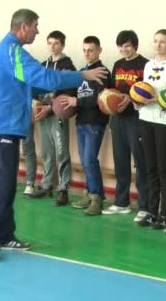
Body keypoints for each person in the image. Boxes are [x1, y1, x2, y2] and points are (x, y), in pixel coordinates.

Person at [0, 9, 107, 263]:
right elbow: (41, 76)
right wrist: (81, 75)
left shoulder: (14, 52)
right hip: (1, 127)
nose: (37, 31)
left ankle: (2, 235)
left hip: (8, 126)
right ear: (23, 27)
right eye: (35, 27)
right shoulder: (11, 51)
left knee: (7, 185)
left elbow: (38, 83)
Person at [101, 30, 150, 222]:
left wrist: (131, 98)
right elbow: (114, 89)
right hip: (118, 119)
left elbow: (147, 92)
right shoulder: (118, 64)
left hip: (136, 119)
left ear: (135, 46)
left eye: (127, 46)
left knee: (140, 161)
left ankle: (144, 206)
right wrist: (107, 99)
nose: (124, 49)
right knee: (120, 160)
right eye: (120, 46)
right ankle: (122, 202)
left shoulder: (145, 65)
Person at [136, 29, 166, 230]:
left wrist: (157, 100)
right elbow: (143, 91)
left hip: (165, 121)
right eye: (155, 41)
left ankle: (165, 214)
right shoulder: (148, 65)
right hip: (146, 118)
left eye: (163, 41)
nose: (158, 45)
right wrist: (139, 102)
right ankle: (151, 211)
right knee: (149, 168)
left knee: (164, 169)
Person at [26, 30, 77, 206]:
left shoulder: (68, 65)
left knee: (61, 151)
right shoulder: (43, 65)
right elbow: (34, 86)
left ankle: (63, 189)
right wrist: (34, 101)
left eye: (56, 43)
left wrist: (52, 105)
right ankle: (47, 185)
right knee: (47, 151)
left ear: (62, 45)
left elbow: (71, 91)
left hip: (56, 114)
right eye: (49, 43)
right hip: (43, 113)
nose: (52, 46)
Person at [63, 36, 112, 215]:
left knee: (90, 160)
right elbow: (76, 93)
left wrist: (76, 101)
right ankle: (89, 193)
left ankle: (97, 199)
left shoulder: (103, 72)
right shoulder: (82, 71)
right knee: (84, 161)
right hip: (81, 121)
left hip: (95, 122)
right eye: (84, 50)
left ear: (99, 50)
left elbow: (100, 98)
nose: (87, 53)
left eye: (90, 50)